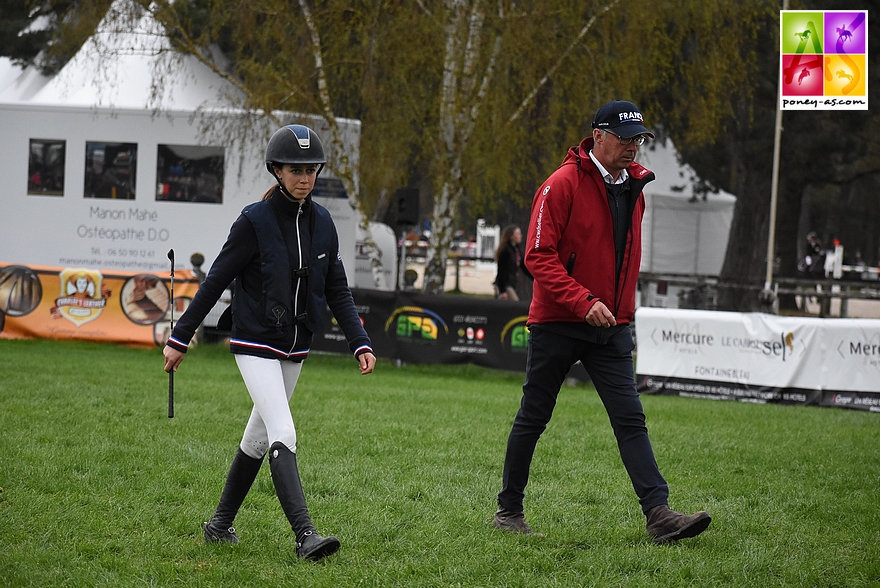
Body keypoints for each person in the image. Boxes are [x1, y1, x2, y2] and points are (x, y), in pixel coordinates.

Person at [493, 100, 711, 544]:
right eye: (625, 137)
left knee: (631, 419)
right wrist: (582, 300)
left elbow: (624, 258)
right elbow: (537, 257)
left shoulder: (636, 188)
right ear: (599, 136)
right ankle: (508, 511)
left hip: (611, 327)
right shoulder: (560, 185)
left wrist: (619, 314)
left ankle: (659, 514)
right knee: (533, 417)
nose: (633, 147)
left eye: (638, 139)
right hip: (557, 322)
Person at [163, 124, 377, 561]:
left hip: (296, 347)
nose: (305, 177)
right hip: (254, 342)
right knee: (284, 430)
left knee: (258, 439)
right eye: (295, 169)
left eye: (311, 169)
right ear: (276, 170)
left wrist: (360, 341)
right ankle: (305, 536)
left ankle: (219, 525)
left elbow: (337, 288)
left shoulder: (323, 224)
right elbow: (216, 280)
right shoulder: (253, 222)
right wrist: (180, 338)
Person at [494, 225, 523, 301]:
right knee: (515, 303)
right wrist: (502, 290)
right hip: (505, 284)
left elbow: (523, 265)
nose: (520, 236)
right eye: (517, 234)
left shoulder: (517, 250)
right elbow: (501, 270)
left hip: (512, 282)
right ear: (511, 236)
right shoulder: (505, 251)